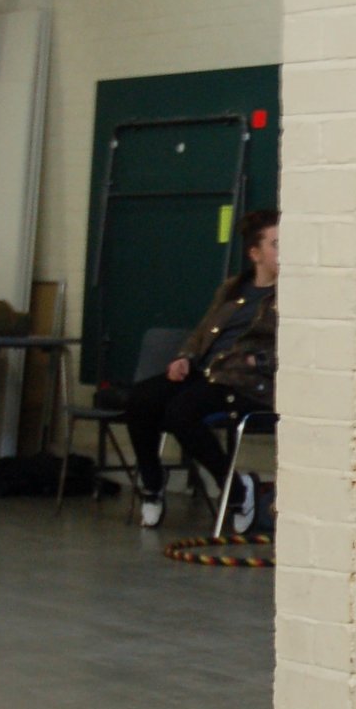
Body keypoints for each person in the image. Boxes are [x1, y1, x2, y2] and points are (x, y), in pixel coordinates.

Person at [124, 208, 278, 532]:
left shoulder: (291, 295)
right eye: (276, 244)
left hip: (247, 381)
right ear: (255, 254)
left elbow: (300, 349)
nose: (285, 252)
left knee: (181, 411)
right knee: (141, 398)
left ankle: (237, 491)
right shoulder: (232, 289)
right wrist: (184, 357)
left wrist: (258, 362)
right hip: (209, 373)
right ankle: (152, 484)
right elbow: (202, 331)